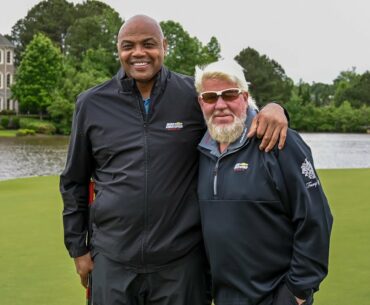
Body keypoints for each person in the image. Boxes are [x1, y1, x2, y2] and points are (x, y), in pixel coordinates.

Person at [60, 15, 289, 305]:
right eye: (128, 46)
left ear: (164, 47)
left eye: (149, 44)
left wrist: (276, 107)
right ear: (117, 49)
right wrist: (78, 249)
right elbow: (73, 182)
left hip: (181, 264)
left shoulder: (190, 95)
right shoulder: (91, 103)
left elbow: (235, 109)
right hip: (113, 260)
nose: (139, 53)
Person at [195, 59, 333, 305]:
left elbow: (316, 220)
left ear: (245, 97)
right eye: (210, 97)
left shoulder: (282, 142)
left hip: (277, 298)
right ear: (200, 102)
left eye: (229, 94)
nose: (220, 105)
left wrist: (296, 294)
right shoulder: (201, 151)